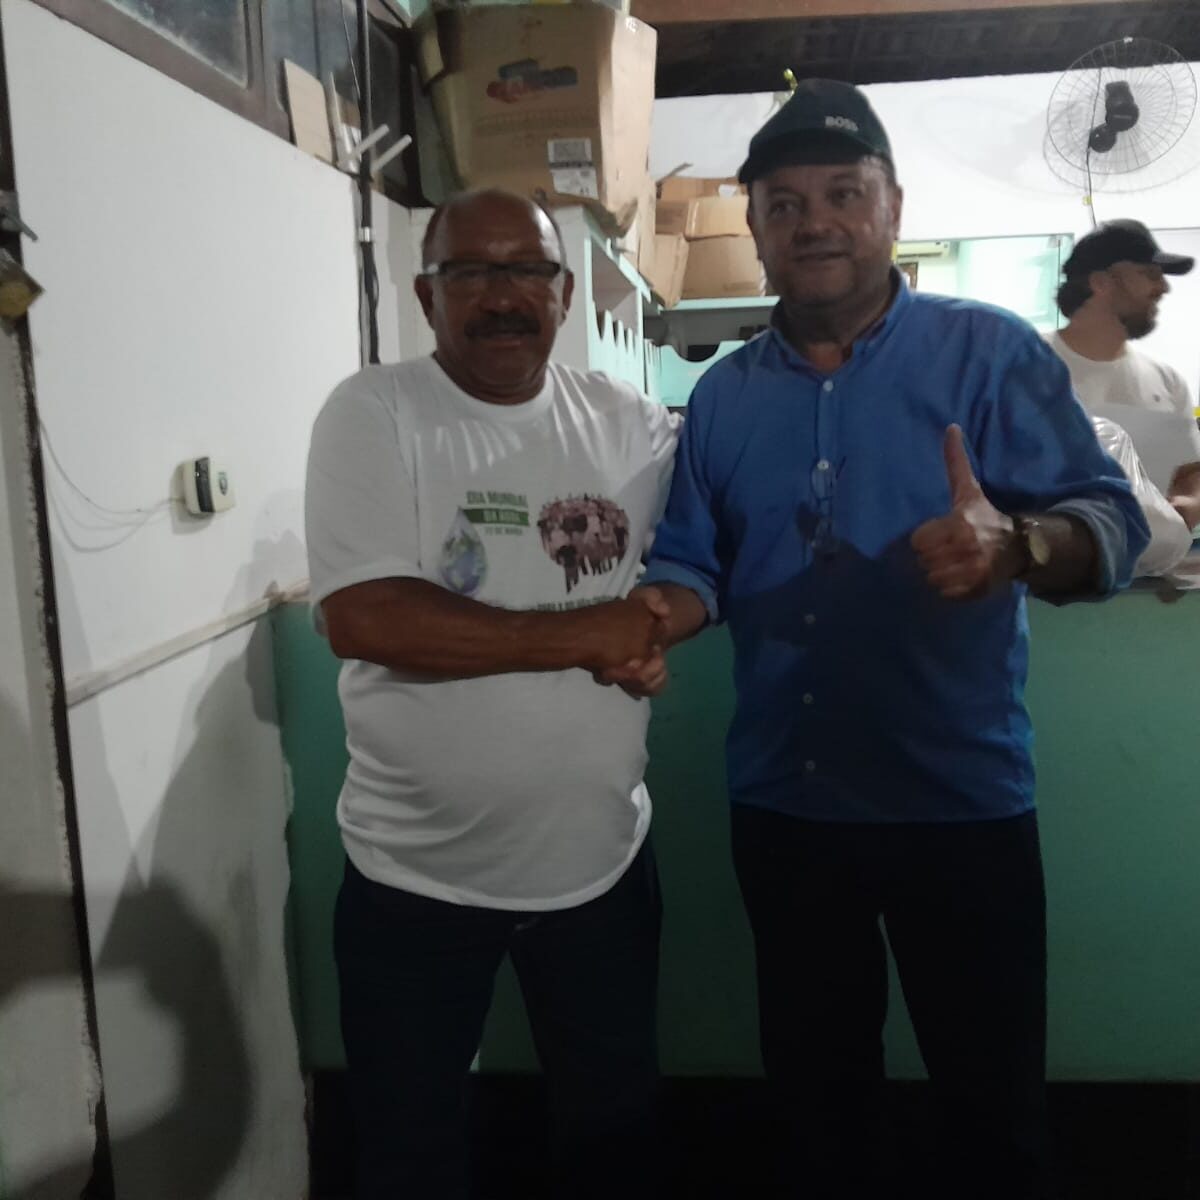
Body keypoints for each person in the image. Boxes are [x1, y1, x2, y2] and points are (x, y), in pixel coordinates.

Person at [605, 80, 1150, 1199]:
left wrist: (1019, 546)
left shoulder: (988, 355)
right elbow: (695, 561)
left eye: (844, 194)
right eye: (785, 204)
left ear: (893, 206)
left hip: (961, 803)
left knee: (993, 1108)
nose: (816, 223)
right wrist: (648, 617)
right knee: (817, 1107)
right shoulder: (721, 400)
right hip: (786, 807)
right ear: (756, 228)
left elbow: (1111, 519)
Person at [304, 188, 678, 1200]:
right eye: (470, 271)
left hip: (601, 869)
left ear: (565, 294)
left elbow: (709, 552)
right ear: (427, 296)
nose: (502, 295)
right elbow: (366, 618)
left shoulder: (631, 424)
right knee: (408, 1155)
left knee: (614, 1140)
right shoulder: (375, 412)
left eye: (527, 271)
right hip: (412, 880)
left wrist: (656, 627)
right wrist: (584, 634)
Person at [1047, 219, 1200, 535]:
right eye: (1150, 274)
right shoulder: (1027, 364)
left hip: (1152, 557)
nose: (1163, 288)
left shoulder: (1167, 380)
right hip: (1053, 556)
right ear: (1101, 282)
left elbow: (1190, 473)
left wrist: (1191, 501)